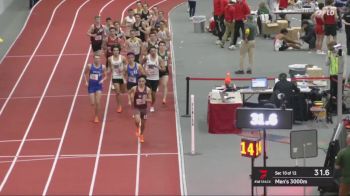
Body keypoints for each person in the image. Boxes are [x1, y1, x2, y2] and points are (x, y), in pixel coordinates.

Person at [84, 55, 108, 123]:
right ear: (93, 59)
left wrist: (102, 80)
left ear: (100, 59)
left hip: (98, 86)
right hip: (91, 86)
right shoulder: (89, 66)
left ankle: (96, 116)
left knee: (98, 102)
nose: (97, 60)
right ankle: (96, 112)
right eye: (95, 59)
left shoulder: (103, 67)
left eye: (98, 59)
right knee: (92, 103)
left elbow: (106, 76)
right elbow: (85, 74)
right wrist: (86, 81)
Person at [130, 75, 152, 143]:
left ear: (145, 82)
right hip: (137, 107)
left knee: (143, 125)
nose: (141, 83)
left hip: (144, 109)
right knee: (137, 120)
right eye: (139, 81)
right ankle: (137, 128)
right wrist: (130, 99)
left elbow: (150, 100)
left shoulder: (148, 89)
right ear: (137, 82)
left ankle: (141, 134)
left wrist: (145, 99)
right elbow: (129, 93)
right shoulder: (134, 88)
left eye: (142, 81)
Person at [142, 46, 165, 112]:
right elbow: (141, 64)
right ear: (149, 52)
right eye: (151, 51)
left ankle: (152, 105)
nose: (153, 52)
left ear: (156, 51)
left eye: (154, 51)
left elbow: (163, 69)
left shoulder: (159, 58)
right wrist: (144, 71)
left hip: (155, 79)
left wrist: (159, 67)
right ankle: (143, 105)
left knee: (153, 94)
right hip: (147, 78)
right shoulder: (147, 57)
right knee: (146, 92)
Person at [109, 45, 127, 113]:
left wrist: (123, 70)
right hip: (115, 76)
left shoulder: (123, 58)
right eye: (114, 50)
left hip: (122, 77)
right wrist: (105, 72)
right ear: (112, 51)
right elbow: (109, 68)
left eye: (117, 50)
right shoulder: (110, 59)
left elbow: (126, 66)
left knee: (123, 91)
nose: (115, 52)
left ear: (119, 51)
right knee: (118, 92)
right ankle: (119, 106)